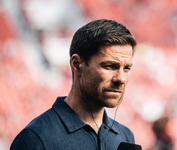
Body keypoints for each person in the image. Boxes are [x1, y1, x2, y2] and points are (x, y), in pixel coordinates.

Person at [10, 19, 137, 150]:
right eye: (109, 66)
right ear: (77, 64)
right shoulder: (36, 138)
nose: (121, 78)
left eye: (126, 68)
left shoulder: (125, 136)